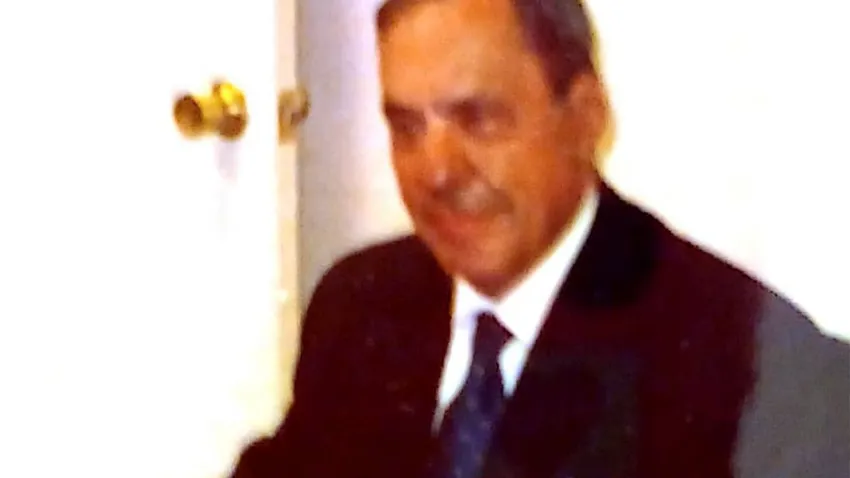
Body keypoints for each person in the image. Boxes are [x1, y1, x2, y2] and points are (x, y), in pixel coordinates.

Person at [229, 0, 849, 476]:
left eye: (478, 118)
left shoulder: (761, 374)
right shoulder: (360, 303)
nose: (436, 172)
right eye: (407, 126)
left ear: (584, 118)